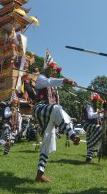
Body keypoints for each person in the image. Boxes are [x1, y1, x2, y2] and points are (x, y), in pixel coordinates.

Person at [33, 49, 80, 182]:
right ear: (48, 69)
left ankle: (39, 173)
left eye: (56, 71)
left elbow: (54, 84)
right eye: (53, 70)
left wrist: (68, 83)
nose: (54, 72)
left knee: (46, 145)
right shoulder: (41, 78)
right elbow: (49, 82)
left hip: (50, 115)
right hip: (40, 110)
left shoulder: (55, 88)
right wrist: (64, 80)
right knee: (57, 107)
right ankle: (71, 134)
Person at [82, 93, 107, 162]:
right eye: (96, 101)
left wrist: (104, 114)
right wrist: (99, 113)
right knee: (101, 129)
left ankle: (88, 158)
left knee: (90, 140)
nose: (98, 102)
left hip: (93, 126)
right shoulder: (89, 106)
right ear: (93, 101)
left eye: (98, 101)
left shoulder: (97, 109)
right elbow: (90, 116)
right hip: (87, 125)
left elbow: (100, 117)